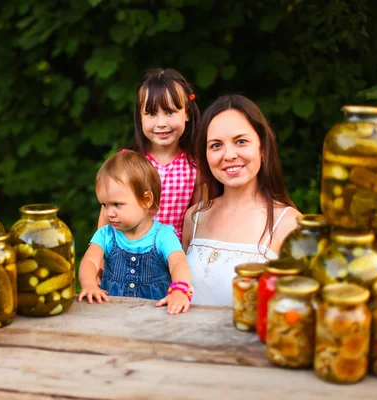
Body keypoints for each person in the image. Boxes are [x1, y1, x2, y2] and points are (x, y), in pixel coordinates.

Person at [182, 94, 300, 306]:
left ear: (262, 147)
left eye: (241, 141)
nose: (229, 155)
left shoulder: (290, 225)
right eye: (216, 145)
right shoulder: (194, 217)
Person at [80, 150, 192, 314]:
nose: (108, 213)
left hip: (157, 314)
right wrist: (89, 284)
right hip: (111, 312)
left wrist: (179, 290)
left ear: (146, 200)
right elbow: (90, 261)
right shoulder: (106, 235)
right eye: (104, 205)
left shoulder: (163, 236)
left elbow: (178, 262)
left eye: (117, 204)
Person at [97, 68, 201, 242]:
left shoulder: (195, 166)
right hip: (126, 257)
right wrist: (99, 257)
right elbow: (106, 218)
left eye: (170, 112)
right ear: (140, 116)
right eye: (151, 114)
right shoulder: (126, 162)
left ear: (187, 113)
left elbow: (198, 223)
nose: (161, 123)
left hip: (172, 260)